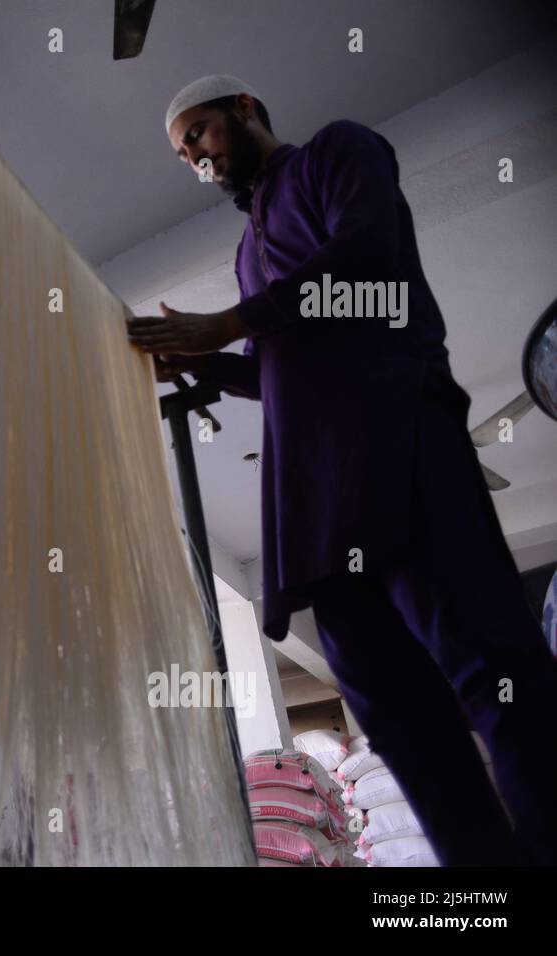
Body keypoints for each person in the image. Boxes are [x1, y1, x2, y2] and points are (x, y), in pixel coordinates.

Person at [126, 75, 557, 866]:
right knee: (399, 722)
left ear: (246, 109)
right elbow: (271, 371)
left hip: (400, 448)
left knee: (492, 669)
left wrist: (229, 320)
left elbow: (367, 264)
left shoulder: (337, 151)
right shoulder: (248, 252)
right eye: (183, 149)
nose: (195, 154)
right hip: (318, 513)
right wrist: (208, 362)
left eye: (201, 132)